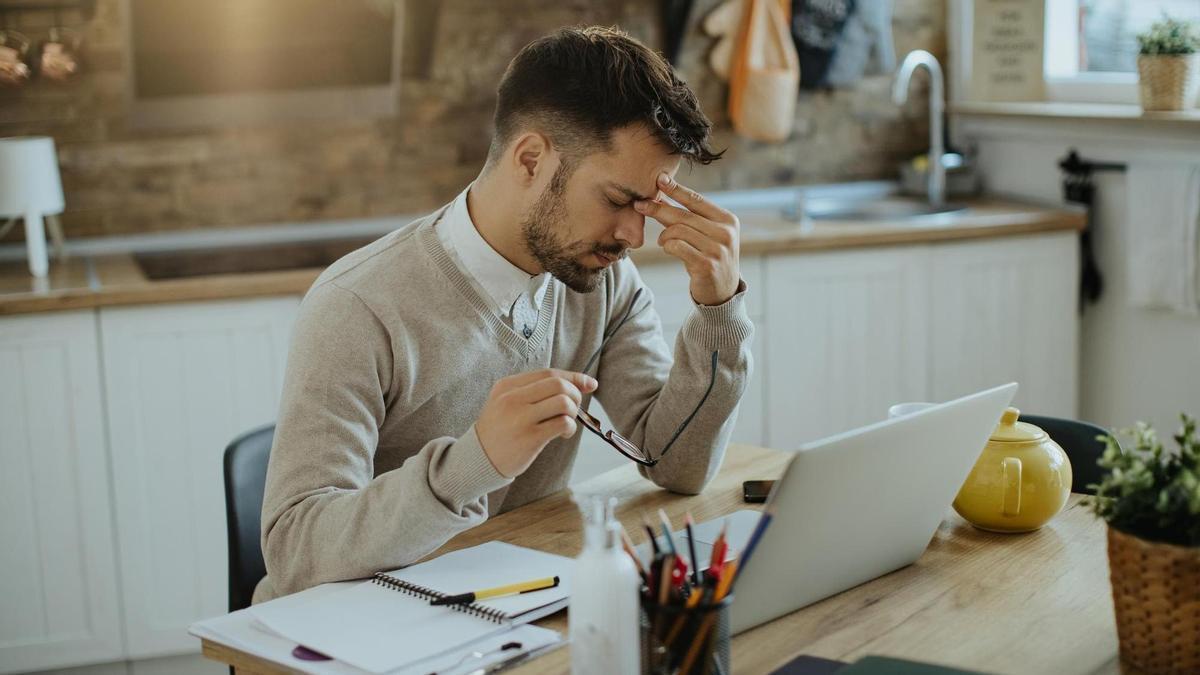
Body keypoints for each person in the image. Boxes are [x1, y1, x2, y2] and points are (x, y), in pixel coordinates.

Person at [254, 25, 754, 603]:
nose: (634, 236)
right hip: (354, 632)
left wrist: (719, 309)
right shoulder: (356, 306)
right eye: (618, 201)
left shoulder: (603, 280)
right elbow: (294, 552)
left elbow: (677, 466)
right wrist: (475, 463)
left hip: (511, 607)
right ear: (531, 159)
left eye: (647, 207)